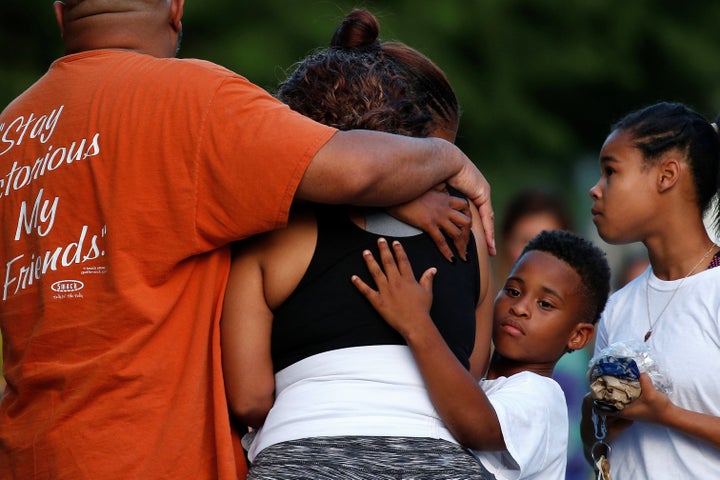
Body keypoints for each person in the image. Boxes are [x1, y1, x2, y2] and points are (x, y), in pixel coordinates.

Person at [0, 2, 496, 479]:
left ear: (61, 12)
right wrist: (444, 159)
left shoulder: (10, 132)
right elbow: (354, 168)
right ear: (176, 8)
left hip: (30, 454)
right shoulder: (191, 98)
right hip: (154, 454)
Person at [221, 9, 495, 479]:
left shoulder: (271, 236)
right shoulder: (465, 229)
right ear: (413, 142)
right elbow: (468, 375)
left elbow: (248, 398)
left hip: (298, 457)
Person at [353, 229, 611, 480]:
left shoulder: (542, 396)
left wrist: (416, 323)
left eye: (545, 304)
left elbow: (477, 427)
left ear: (578, 336)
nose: (519, 308)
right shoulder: (482, 384)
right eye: (513, 291)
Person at [580, 101, 720, 478]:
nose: (595, 190)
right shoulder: (616, 305)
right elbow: (600, 447)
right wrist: (593, 418)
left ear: (666, 175)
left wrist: (667, 415)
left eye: (611, 171)